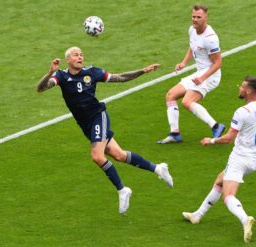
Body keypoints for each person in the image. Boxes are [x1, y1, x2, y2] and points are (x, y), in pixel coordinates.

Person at [36, 47, 173, 215]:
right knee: (119, 155)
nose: (80, 57)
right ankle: (158, 168)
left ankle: (123, 190)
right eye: (75, 55)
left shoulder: (92, 72)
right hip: (85, 124)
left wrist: (142, 71)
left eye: (81, 54)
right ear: (68, 60)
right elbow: (40, 88)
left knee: (97, 156)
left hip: (97, 116)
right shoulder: (61, 76)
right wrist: (50, 72)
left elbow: (120, 77)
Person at [182, 76, 256, 243]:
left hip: (239, 159)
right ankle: (197, 215)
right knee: (219, 181)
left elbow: (228, 138)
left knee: (228, 196)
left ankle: (245, 219)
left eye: (242, 87)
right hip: (253, 159)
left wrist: (212, 140)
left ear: (249, 91)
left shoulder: (242, 112)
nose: (240, 89)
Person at [157, 4, 225, 144]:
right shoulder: (192, 30)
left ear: (206, 17)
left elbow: (218, 63)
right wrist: (183, 63)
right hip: (200, 73)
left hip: (210, 75)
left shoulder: (210, 39)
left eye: (198, 17)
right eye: (193, 16)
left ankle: (216, 126)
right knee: (171, 95)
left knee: (187, 102)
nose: (195, 19)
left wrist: (202, 78)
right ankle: (175, 134)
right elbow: (192, 47)